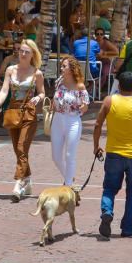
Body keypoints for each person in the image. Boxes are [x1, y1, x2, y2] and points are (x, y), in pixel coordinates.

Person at [93, 70, 132, 238]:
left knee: (109, 188)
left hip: (113, 153)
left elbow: (97, 125)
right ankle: (127, 227)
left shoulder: (109, 101)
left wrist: (96, 146)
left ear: (118, 85)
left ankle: (107, 211)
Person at [0, 40, 46, 200]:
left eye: (26, 52)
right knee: (18, 150)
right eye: (21, 51)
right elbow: (4, 90)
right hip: (13, 112)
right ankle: (28, 179)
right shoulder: (11, 70)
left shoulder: (37, 73)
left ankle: (19, 183)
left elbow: (42, 92)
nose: (22, 54)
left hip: (29, 113)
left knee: (22, 148)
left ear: (32, 54)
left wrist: (38, 98)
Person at [51, 56, 91, 186]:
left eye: (64, 66)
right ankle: (70, 178)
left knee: (69, 155)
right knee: (56, 157)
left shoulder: (79, 86)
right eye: (61, 66)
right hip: (57, 119)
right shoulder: (59, 82)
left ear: (72, 68)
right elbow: (55, 98)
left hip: (72, 120)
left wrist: (83, 107)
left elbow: (86, 106)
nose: (61, 68)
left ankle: (68, 186)